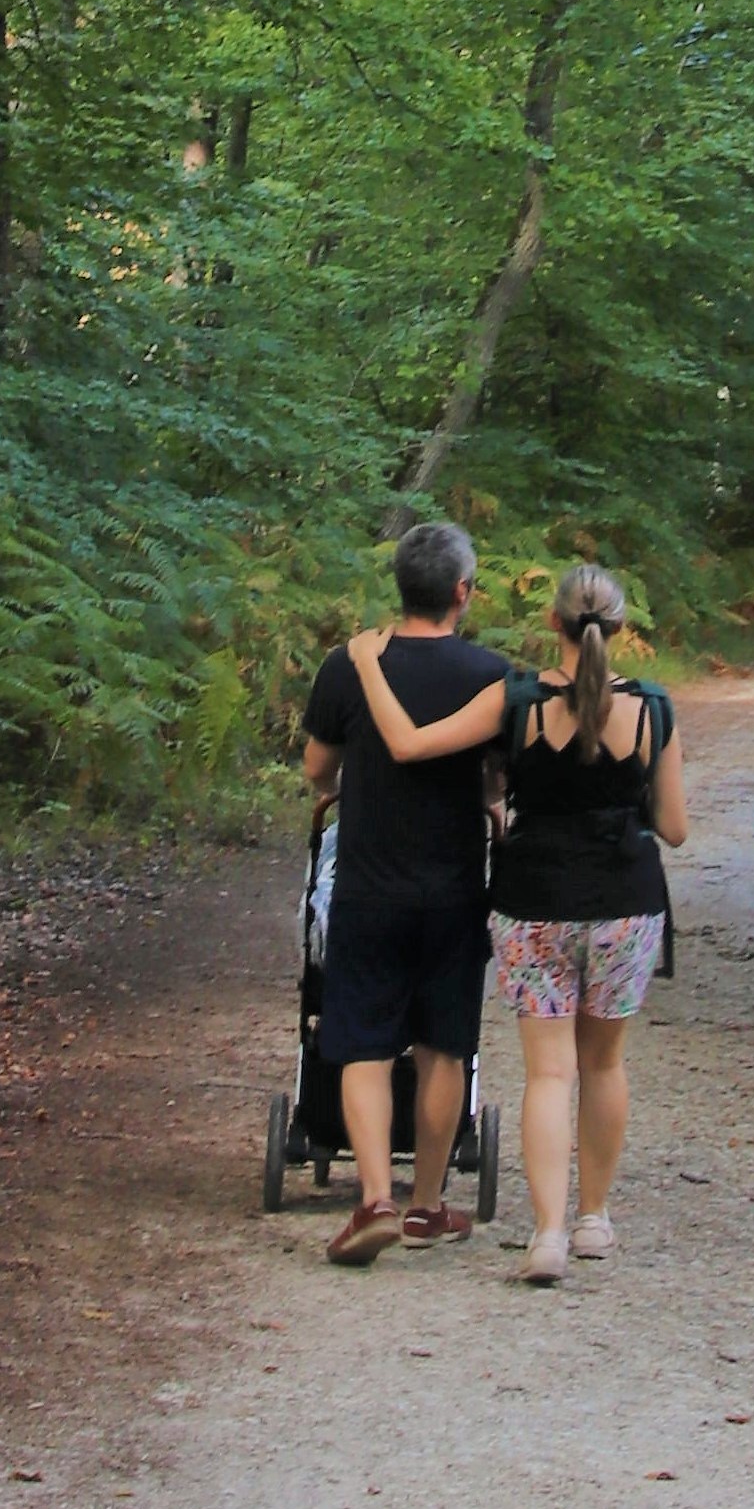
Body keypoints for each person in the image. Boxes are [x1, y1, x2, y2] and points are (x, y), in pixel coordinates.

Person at [346, 561, 688, 1287]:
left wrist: (367, 665)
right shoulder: (654, 708)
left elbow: (408, 743)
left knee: (549, 1072)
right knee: (604, 1065)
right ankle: (594, 1218)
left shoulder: (516, 699)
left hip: (534, 903)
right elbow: (675, 827)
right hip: (625, 903)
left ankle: (548, 1234)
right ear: (620, 628)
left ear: (552, 622)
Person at [298, 520, 511, 1265]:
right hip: (452, 888)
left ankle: (373, 1200)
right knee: (443, 1047)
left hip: (368, 885)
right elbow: (496, 779)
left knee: (362, 1043)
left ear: (400, 585)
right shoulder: (492, 672)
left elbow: (317, 768)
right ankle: (424, 1205)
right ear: (462, 591)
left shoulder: (348, 664)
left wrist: (345, 780)